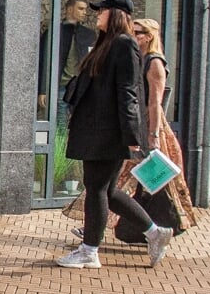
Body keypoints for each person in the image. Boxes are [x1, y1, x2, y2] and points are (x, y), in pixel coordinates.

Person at [56, 0, 171, 269]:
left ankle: (89, 250)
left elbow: (128, 92)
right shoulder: (107, 43)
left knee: (96, 188)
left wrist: (132, 137)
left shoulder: (124, 44)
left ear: (117, 14)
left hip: (108, 131)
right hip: (98, 128)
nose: (97, 14)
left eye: (103, 10)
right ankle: (155, 233)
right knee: (104, 191)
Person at [65, 17, 197, 241]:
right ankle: (105, 229)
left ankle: (149, 228)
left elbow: (155, 102)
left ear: (149, 37)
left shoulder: (154, 62)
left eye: (138, 33)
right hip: (132, 125)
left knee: (123, 183)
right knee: (113, 184)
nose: (134, 36)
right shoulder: (135, 57)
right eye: (132, 32)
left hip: (144, 128)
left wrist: (152, 135)